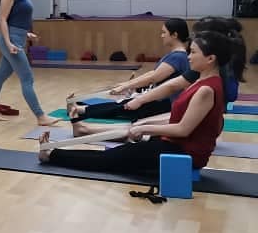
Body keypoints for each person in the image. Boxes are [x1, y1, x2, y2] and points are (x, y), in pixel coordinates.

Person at [40, 30, 229, 178]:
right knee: (127, 139)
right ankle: (80, 131)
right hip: (174, 144)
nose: (189, 57)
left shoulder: (206, 89)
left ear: (210, 59)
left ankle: (51, 155)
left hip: (183, 153)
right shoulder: (202, 81)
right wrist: (145, 125)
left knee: (109, 158)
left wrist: (145, 128)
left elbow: (183, 130)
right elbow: (179, 118)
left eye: (193, 52)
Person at [68, 18, 190, 131]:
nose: (161, 35)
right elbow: (152, 73)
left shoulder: (178, 57)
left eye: (164, 32)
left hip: (163, 103)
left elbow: (153, 78)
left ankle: (80, 110)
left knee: (123, 107)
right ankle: (80, 109)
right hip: (160, 100)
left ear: (174, 35)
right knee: (122, 104)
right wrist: (127, 84)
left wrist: (126, 86)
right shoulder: (175, 55)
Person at [123, 16, 246, 112]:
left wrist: (139, 99)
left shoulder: (214, 70)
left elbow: (171, 86)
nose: (189, 56)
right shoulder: (216, 66)